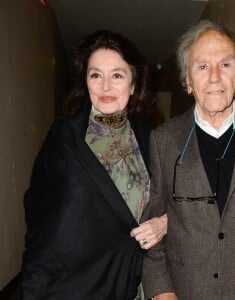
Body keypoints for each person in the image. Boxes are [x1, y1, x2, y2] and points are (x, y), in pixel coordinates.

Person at [142, 20, 235, 300]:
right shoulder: (163, 140)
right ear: (188, 82)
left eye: (225, 64)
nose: (214, 77)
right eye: (201, 67)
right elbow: (153, 228)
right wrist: (163, 293)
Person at [16, 30, 167, 300]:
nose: (105, 87)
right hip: (75, 285)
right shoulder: (64, 138)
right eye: (95, 75)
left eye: (117, 75)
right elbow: (42, 221)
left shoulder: (152, 139)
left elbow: (181, 201)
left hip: (134, 283)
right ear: (85, 81)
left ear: (133, 85)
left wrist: (164, 223)